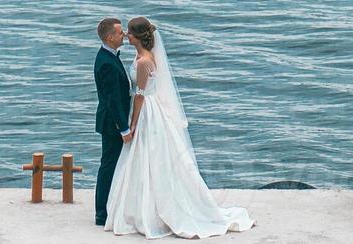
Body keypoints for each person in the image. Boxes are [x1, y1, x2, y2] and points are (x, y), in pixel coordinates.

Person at [104, 16, 253, 238]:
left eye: (129, 32)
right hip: (149, 108)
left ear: (137, 37)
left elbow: (140, 95)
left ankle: (151, 209)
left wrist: (132, 123)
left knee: (149, 156)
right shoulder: (141, 56)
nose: (126, 35)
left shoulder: (144, 61)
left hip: (147, 111)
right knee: (145, 158)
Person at [93, 17, 132, 226]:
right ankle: (102, 213)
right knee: (108, 166)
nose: (123, 34)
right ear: (109, 37)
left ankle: (110, 206)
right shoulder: (107, 63)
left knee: (111, 164)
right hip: (112, 124)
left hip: (113, 121)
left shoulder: (110, 56)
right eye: (119, 32)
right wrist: (123, 128)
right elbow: (113, 100)